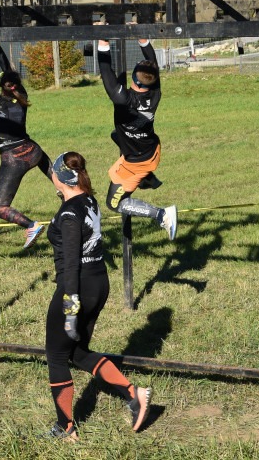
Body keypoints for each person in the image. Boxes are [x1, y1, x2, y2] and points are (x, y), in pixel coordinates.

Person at [44, 152, 150, 441]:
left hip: (76, 287)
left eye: (53, 172)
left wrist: (70, 301)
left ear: (60, 178)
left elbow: (71, 262)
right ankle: (134, 394)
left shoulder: (68, 214)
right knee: (77, 352)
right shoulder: (87, 200)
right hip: (98, 283)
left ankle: (65, 428)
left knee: (56, 355)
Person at [94, 25, 177, 240]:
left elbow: (105, 72)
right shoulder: (155, 92)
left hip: (136, 163)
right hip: (151, 148)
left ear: (134, 78)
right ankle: (147, 178)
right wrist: (143, 38)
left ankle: (162, 215)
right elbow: (152, 64)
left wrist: (102, 39)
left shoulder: (124, 99)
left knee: (115, 203)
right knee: (116, 134)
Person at [0, 41, 52, 248]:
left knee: (0, 207)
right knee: (49, 168)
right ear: (16, 85)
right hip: (32, 150)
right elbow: (9, 71)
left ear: (1, 87)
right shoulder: (22, 97)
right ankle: (64, 189)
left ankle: (31, 225)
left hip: (14, 158)